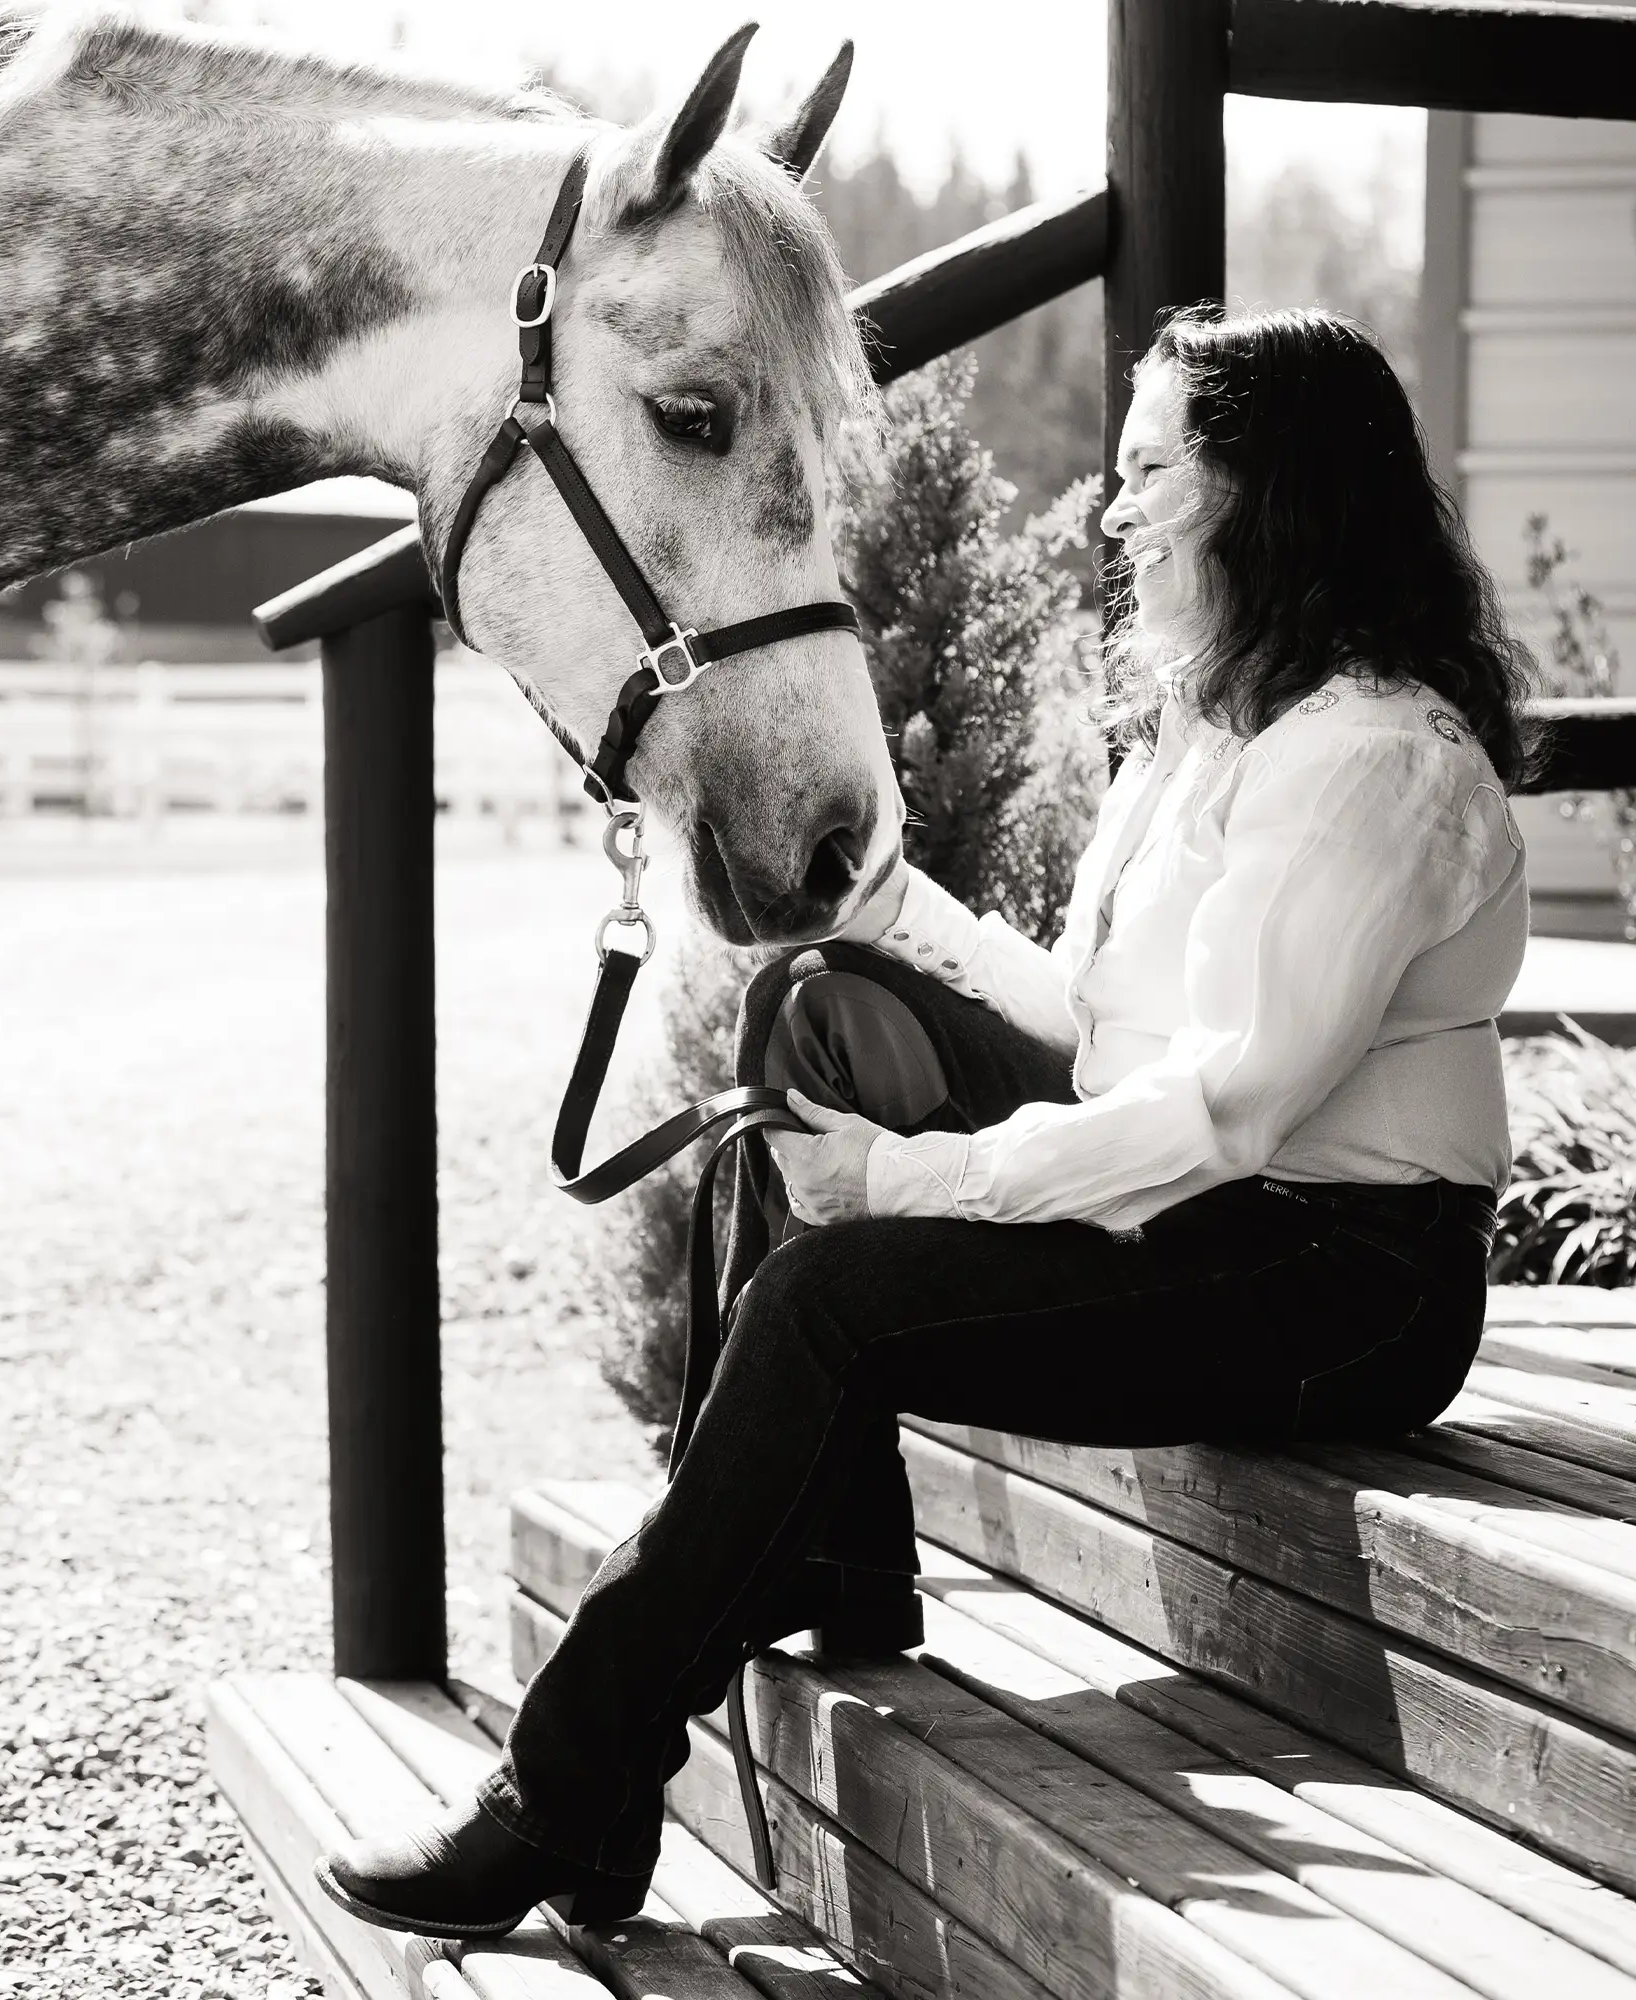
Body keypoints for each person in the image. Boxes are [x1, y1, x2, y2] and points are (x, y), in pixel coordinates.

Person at [316, 305, 1536, 1938]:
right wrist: (888, 912)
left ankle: (567, 1795)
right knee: (813, 1016)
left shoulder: (1371, 761)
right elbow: (1104, 1040)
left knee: (835, 1300)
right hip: (1230, 1214)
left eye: (1155, 472)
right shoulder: (1212, 732)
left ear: (1276, 494)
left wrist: (905, 1178)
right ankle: (833, 1558)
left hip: (1347, 1280)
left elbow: (1227, 1106)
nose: (1115, 513)